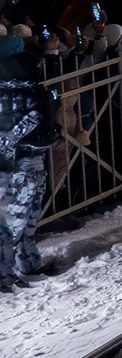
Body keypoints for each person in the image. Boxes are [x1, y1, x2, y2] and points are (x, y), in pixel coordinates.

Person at [1, 25, 58, 287]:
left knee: (26, 217)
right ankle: (7, 272)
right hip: (20, 157)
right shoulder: (11, 84)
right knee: (16, 218)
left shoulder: (22, 80)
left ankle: (25, 264)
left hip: (29, 155)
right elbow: (13, 124)